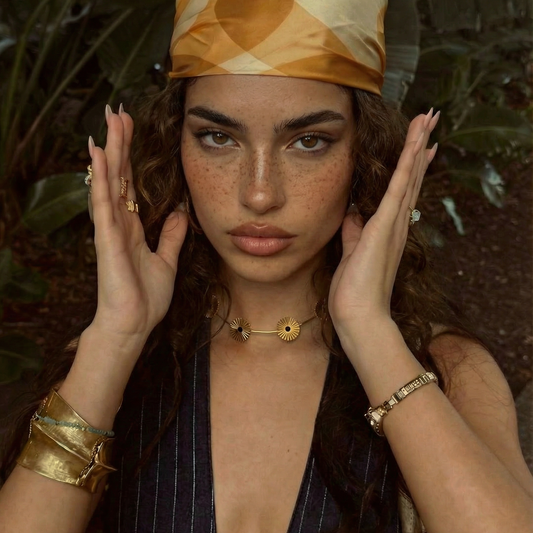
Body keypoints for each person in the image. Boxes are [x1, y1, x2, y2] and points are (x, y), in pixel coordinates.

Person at [1, 1, 532, 532]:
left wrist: (370, 333)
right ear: (176, 147)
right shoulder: (109, 359)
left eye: (309, 141)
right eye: (218, 137)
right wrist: (116, 339)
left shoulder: (451, 371)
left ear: (365, 155)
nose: (258, 194)